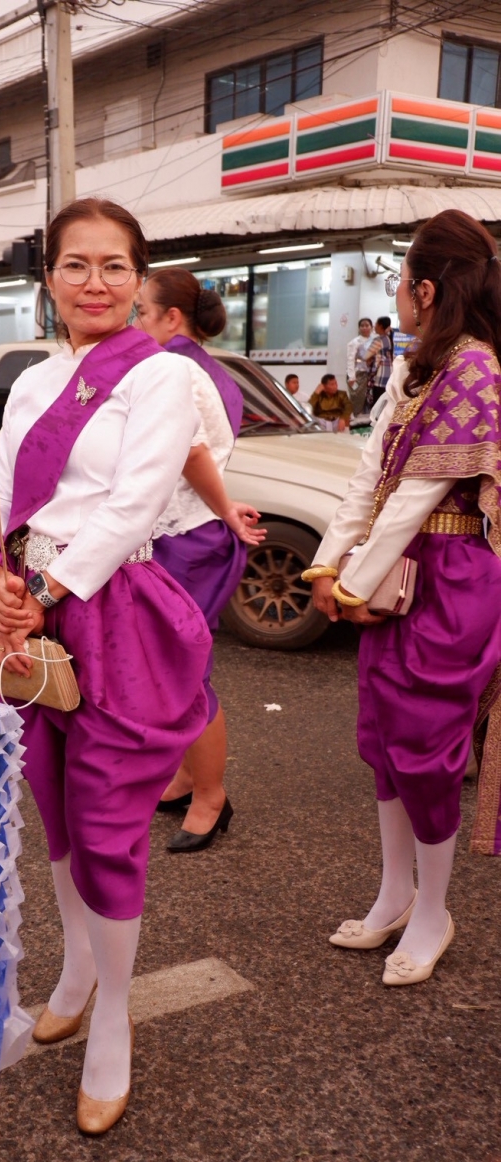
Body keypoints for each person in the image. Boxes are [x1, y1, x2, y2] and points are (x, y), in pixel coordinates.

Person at [0, 197, 211, 1132]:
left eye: (115, 266)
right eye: (76, 264)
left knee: (109, 823)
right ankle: (76, 966)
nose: (96, 283)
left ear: (138, 278)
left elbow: (135, 501)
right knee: (55, 804)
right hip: (26, 612)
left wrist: (46, 589)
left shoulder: (161, 376)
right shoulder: (33, 379)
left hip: (109, 610)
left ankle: (114, 1012)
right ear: (49, 279)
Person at [303, 208, 501, 986]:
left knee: (427, 751)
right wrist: (326, 567)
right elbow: (369, 477)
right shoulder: (417, 365)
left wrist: (351, 582)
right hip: (402, 571)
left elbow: (416, 496)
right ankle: (395, 893)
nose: (397, 296)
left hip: (452, 576)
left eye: (401, 282)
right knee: (384, 739)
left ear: (425, 289)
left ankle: (433, 910)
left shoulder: (476, 368)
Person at [134, 268, 265, 851]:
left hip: (186, 536)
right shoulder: (207, 367)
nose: (135, 321)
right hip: (193, 530)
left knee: (185, 674)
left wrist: (225, 510)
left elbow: (191, 456)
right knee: (177, 669)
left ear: (172, 318)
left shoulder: (174, 368)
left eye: (142, 311)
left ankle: (211, 795)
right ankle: (189, 778)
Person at [346, 317, 374, 418]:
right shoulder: (354, 342)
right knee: (356, 396)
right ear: (359, 328)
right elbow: (350, 359)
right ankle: (355, 418)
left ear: (371, 327)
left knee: (369, 398)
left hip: (371, 375)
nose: (364, 328)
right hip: (357, 374)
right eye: (362, 326)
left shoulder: (375, 341)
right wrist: (351, 377)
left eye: (367, 325)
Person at [365, 316, 394, 410]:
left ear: (381, 326)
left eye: (376, 324)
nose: (374, 326)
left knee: (377, 403)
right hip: (388, 373)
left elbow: (366, 356)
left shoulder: (379, 340)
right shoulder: (388, 338)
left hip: (380, 375)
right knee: (384, 403)